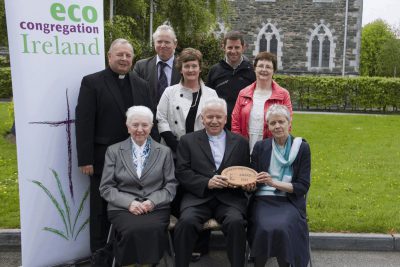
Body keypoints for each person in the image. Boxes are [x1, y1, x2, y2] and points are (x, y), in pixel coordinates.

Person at [75, 38, 155, 253]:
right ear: (109, 56)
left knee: (131, 206)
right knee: (101, 209)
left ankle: (124, 253)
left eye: (128, 55)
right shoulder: (92, 82)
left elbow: (149, 123)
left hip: (136, 159)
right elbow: (84, 122)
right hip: (102, 159)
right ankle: (100, 255)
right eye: (119, 54)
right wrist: (85, 159)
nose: (124, 59)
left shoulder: (141, 85)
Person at [173, 98, 251, 267]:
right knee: (185, 222)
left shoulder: (241, 142)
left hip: (230, 199)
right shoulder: (188, 141)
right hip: (198, 198)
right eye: (209, 117)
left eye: (218, 117)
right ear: (202, 118)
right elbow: (182, 172)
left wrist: (248, 184)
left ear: (225, 118)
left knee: (236, 223)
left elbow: (246, 172)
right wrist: (207, 182)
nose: (214, 121)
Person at [99, 106, 177, 266]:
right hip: (122, 208)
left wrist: (152, 201)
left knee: (152, 229)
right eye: (135, 125)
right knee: (131, 230)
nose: (140, 129)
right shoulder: (113, 151)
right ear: (128, 127)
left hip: (156, 207)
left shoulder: (164, 152)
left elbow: (170, 186)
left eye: (145, 125)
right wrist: (130, 203)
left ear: (151, 127)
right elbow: (106, 187)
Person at [247, 104, 311, 267]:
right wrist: (250, 184)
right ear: (268, 126)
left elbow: (302, 187)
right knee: (263, 226)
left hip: (289, 200)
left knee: (283, 227)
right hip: (263, 199)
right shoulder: (261, 147)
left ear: (289, 123)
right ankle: (259, 263)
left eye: (281, 122)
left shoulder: (302, 148)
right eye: (273, 123)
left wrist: (273, 182)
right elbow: (252, 179)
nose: (277, 126)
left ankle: (286, 264)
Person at [156, 47, 218, 153]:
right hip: (172, 149)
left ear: (200, 68)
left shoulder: (211, 94)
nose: (190, 70)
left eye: (194, 66)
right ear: (181, 69)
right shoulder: (169, 92)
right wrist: (175, 145)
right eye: (186, 66)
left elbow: (215, 122)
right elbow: (161, 120)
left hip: (202, 150)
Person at [231, 51, 293, 152]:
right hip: (245, 145)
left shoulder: (283, 95)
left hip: (272, 147)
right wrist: (239, 144)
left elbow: (287, 124)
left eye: (268, 67)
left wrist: (279, 146)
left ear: (274, 71)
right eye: (260, 66)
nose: (264, 69)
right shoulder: (243, 93)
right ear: (255, 69)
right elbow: (235, 122)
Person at [206, 30, 256, 130]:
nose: (233, 51)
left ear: (243, 47)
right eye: (230, 47)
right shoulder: (214, 71)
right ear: (223, 47)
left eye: (237, 47)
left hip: (246, 127)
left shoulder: (252, 71)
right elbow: (207, 100)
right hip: (220, 127)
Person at [134, 24, 181, 106]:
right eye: (159, 42)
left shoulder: (184, 67)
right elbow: (135, 94)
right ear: (154, 43)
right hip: (148, 117)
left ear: (175, 44)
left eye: (167, 42)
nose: (163, 45)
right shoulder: (141, 66)